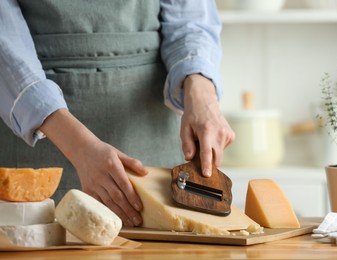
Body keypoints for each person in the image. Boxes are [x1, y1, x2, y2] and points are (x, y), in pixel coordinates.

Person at [0, 0, 234, 227]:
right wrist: (79, 146)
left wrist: (201, 91)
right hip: (40, 142)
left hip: (152, 134)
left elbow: (192, 17)